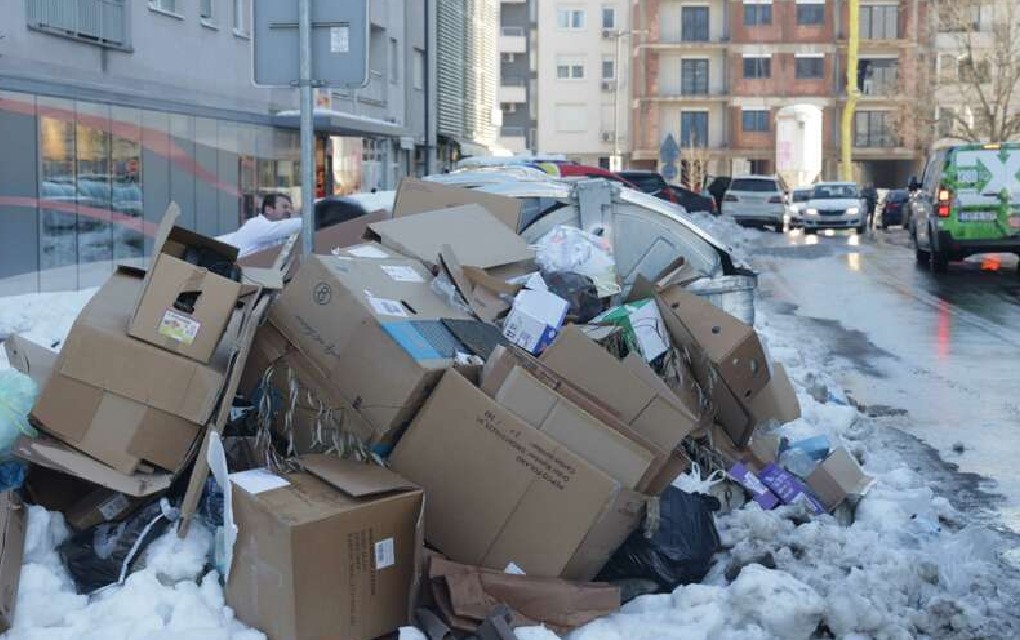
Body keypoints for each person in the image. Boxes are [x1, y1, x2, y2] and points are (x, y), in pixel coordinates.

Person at [216, 193, 301, 257]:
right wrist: (310, 220)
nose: (289, 211)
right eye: (284, 207)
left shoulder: (277, 234)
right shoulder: (257, 224)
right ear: (268, 210)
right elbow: (287, 226)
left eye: (290, 208)